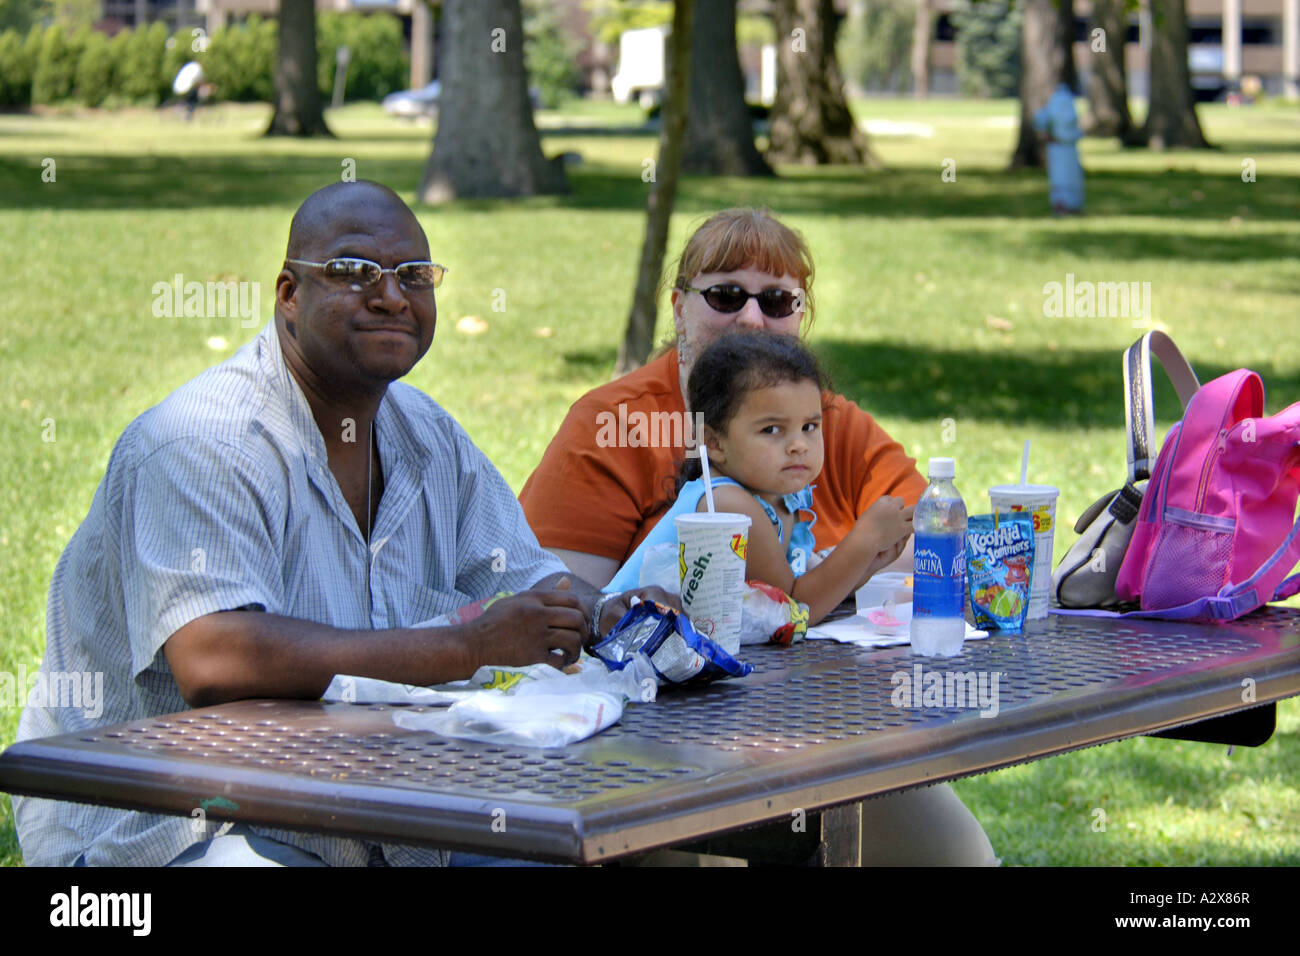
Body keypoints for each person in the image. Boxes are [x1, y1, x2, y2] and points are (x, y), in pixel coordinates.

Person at [14, 181, 661, 867]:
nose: (390, 296)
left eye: (414, 276)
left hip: (379, 810)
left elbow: (533, 581)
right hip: (179, 829)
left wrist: (610, 610)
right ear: (288, 294)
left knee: (599, 846)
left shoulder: (426, 435)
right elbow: (214, 657)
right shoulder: (203, 442)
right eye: (353, 272)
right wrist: (468, 648)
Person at [521, 207, 999, 866]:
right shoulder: (615, 425)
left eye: (777, 300)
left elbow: (937, 540)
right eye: (725, 295)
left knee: (951, 854)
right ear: (679, 306)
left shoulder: (819, 420)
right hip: (639, 740)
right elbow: (556, 597)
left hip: (813, 721)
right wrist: (862, 551)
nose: (751, 318)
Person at [606, 331, 913, 626]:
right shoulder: (727, 503)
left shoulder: (778, 498)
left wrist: (872, 558)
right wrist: (865, 539)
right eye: (771, 430)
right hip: (617, 650)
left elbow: (808, 588)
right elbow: (791, 609)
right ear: (714, 443)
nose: (799, 445)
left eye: (809, 426)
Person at [1034, 82, 1085, 216]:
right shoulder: (1068, 104)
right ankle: (1067, 206)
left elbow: (1039, 120)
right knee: (1067, 178)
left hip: (1059, 146)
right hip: (1066, 146)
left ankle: (1065, 206)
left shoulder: (1054, 104)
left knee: (1062, 178)